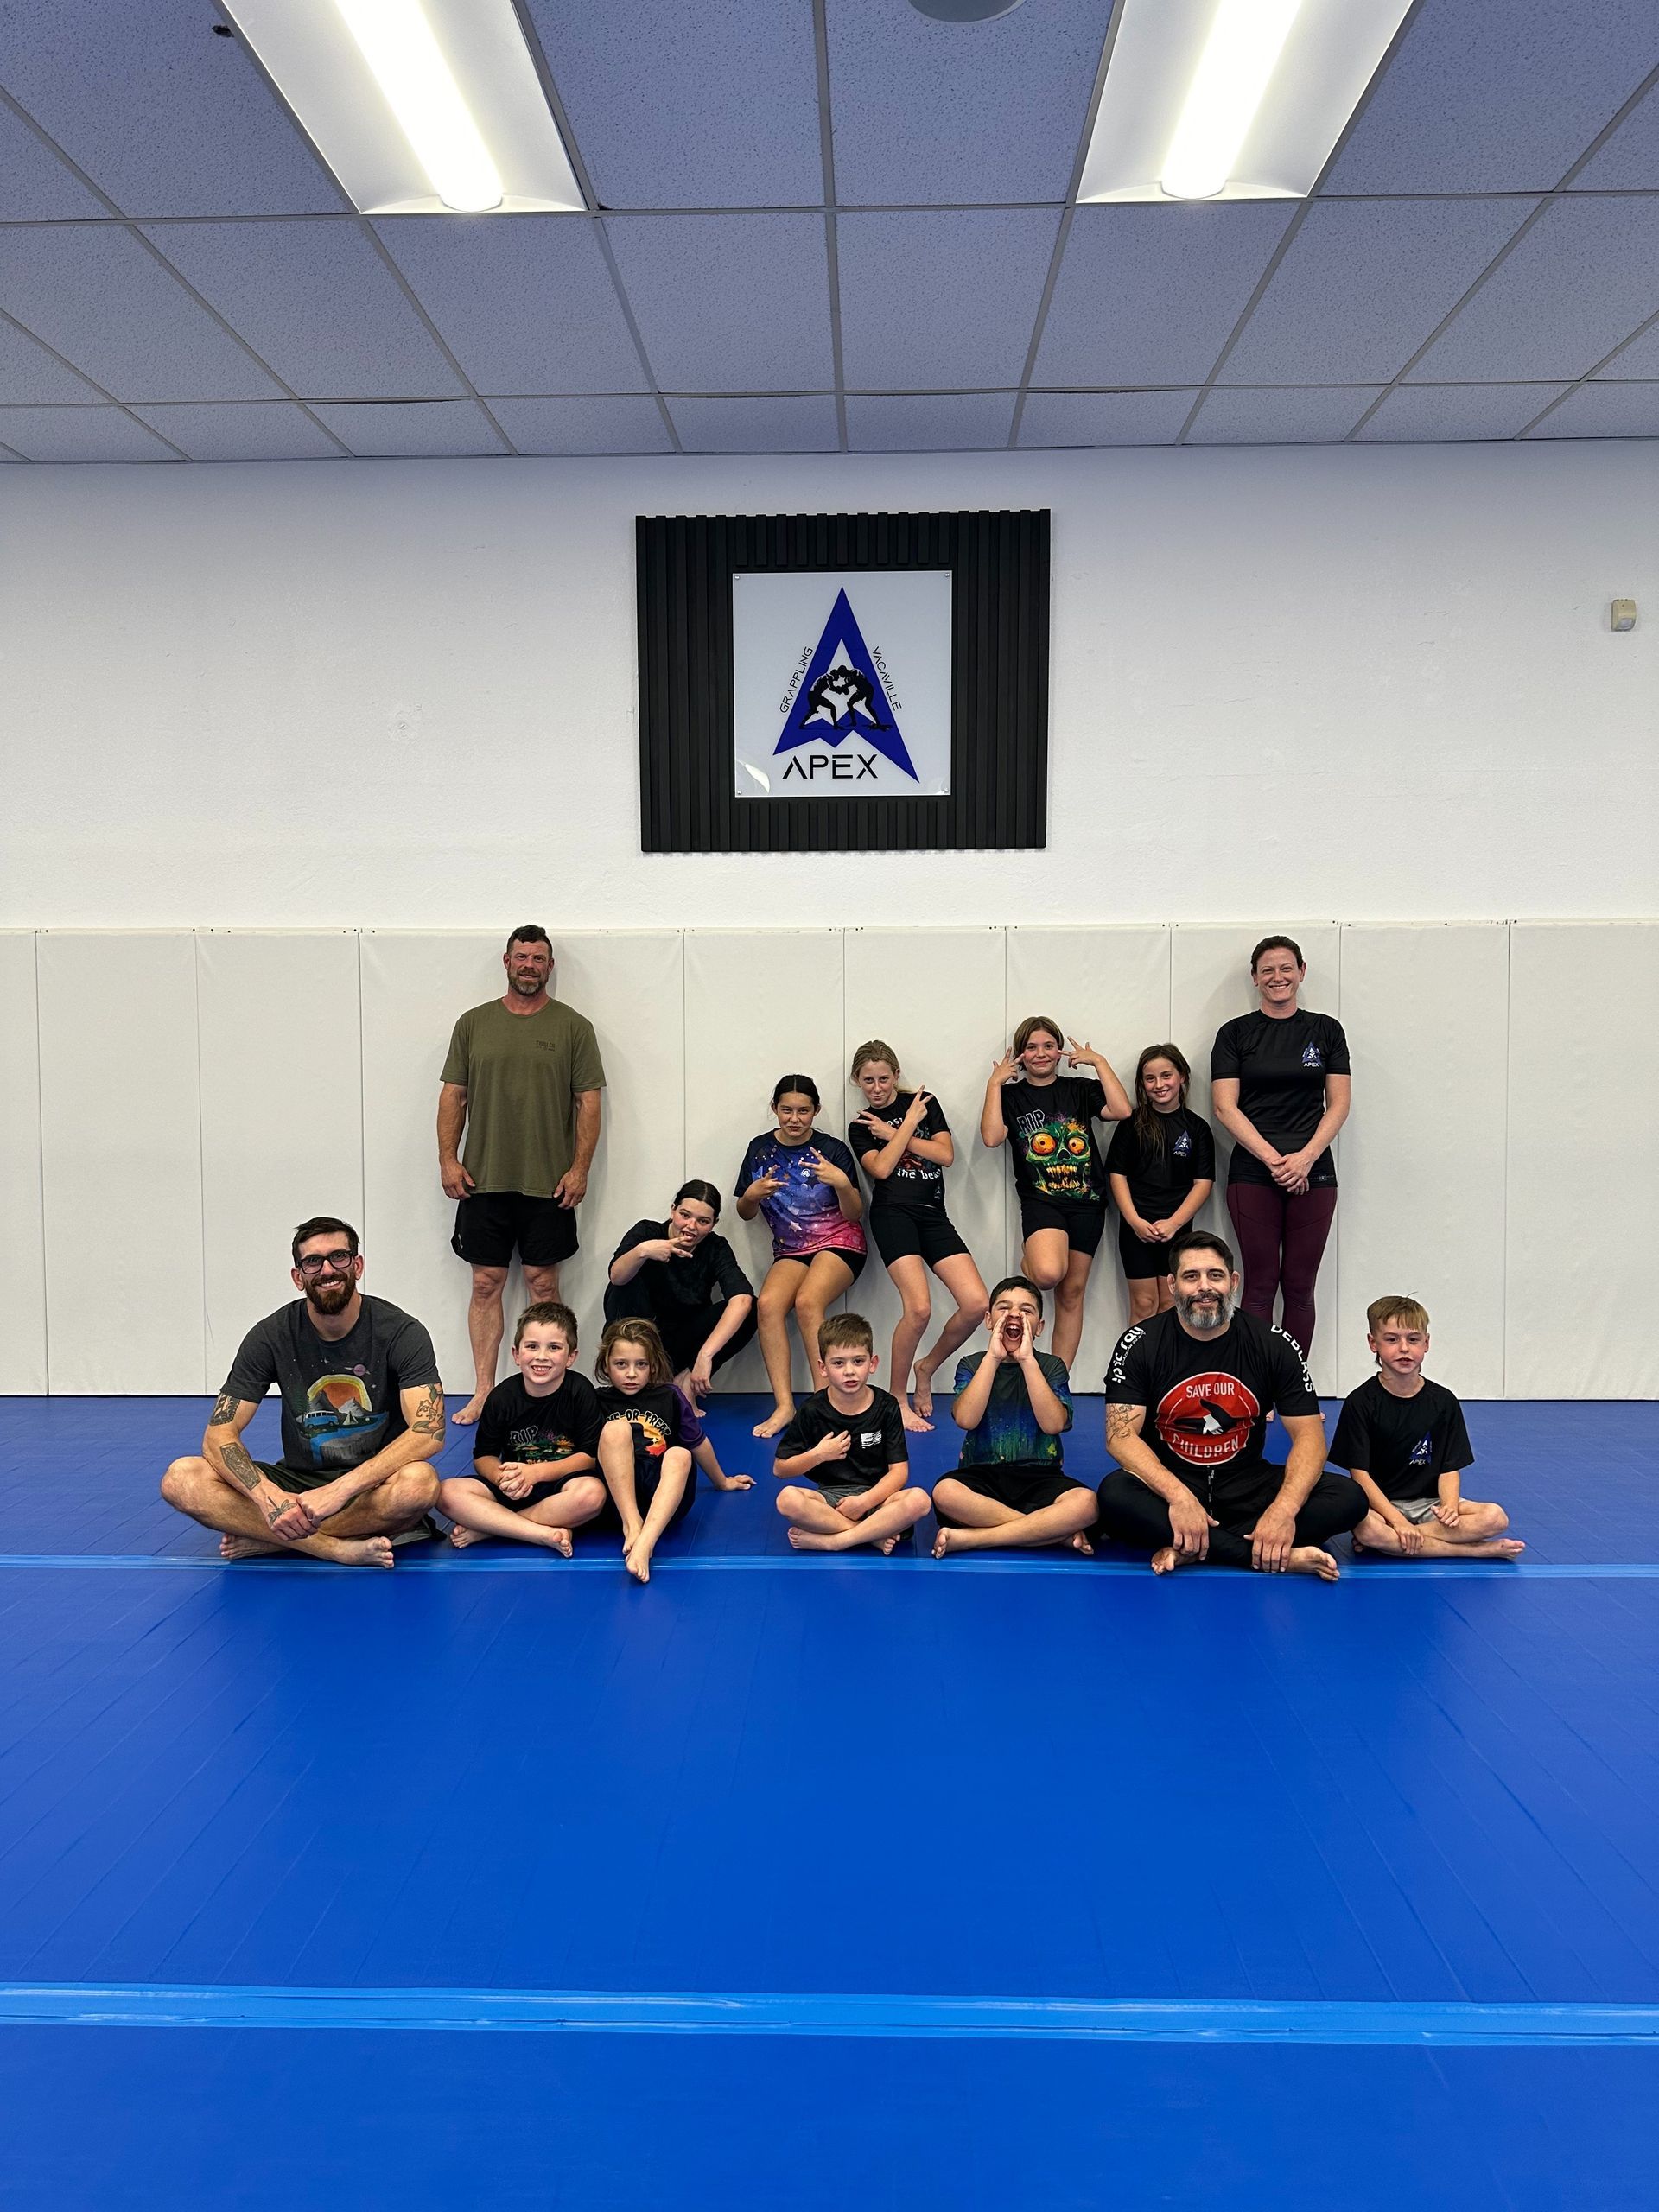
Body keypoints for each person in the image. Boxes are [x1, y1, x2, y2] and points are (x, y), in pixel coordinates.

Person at [160, 1217, 442, 1569]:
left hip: (373, 1482)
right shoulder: (270, 1335)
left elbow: (428, 1432)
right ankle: (330, 1547)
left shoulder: (402, 1332)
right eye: (313, 1262)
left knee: (420, 1485)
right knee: (181, 1478)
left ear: (357, 1265)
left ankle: (273, 1541)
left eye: (339, 1257)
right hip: (297, 1482)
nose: (327, 1270)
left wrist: (339, 1491)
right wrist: (270, 1499)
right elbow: (218, 1436)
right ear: (298, 1277)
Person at [1094, 1230, 1363, 1580]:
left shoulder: (1273, 1343)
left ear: (1233, 1282)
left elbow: (1310, 1436)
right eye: (1191, 1277)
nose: (1204, 1287)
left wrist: (1283, 1510)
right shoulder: (1140, 1343)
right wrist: (1178, 1498)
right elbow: (1120, 1437)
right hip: (1172, 1483)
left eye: (1215, 1275)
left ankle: (1193, 1548)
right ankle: (1260, 1553)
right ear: (1173, 1285)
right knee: (1114, 1495)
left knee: (1349, 1497)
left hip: (1248, 1486)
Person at [438, 924, 606, 1426]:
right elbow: (454, 1096)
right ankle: (486, 1393)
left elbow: (588, 1104)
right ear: (506, 962)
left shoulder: (575, 1027)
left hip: (548, 1183)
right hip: (482, 1180)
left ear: (549, 967)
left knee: (543, 1285)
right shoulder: (473, 1024)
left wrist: (580, 1170)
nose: (529, 965)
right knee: (486, 1284)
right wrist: (448, 1159)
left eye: (538, 958)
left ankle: (546, 1393)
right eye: (521, 957)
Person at [1210, 936, 1351, 1359]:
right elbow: (1224, 1106)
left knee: (1300, 1286)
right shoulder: (1235, 1033)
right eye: (1267, 970)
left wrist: (1305, 1158)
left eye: (1286, 968)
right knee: (1260, 1282)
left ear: (1301, 972)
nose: (1278, 977)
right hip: (1254, 1174)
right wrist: (1275, 1161)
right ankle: (1258, 1385)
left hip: (1315, 1173)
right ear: (1255, 978)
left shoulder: (1326, 1030)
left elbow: (1339, 1104)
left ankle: (1294, 1384)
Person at [846, 1040, 988, 1433]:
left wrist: (893, 1130)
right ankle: (896, 1396)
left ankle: (926, 1368)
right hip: (893, 1215)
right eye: (868, 1080)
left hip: (933, 1214)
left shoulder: (925, 1100)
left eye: (884, 1078)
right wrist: (908, 1125)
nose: (876, 1087)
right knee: (919, 1309)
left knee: (977, 1304)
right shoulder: (859, 1126)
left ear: (896, 1075)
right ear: (857, 1080)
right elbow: (882, 1168)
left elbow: (945, 1155)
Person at [980, 1015, 1131, 1368]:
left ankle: (1056, 1381)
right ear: (1020, 1054)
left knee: (1072, 1294)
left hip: (1087, 1202)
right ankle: (1028, 1258)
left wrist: (1100, 1063)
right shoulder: (1011, 1095)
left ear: (1059, 1050)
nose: (1041, 1054)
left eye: (1048, 1046)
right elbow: (991, 1137)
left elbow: (1122, 1110)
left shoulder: (1079, 1089)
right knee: (1047, 1275)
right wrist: (993, 1084)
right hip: (1041, 1200)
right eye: (1031, 1047)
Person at [1331, 1295, 1523, 1560]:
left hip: (1429, 1505)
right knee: (1369, 1530)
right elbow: (1360, 1476)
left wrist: (1449, 1506)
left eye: (1413, 1339)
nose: (1404, 1349)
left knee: (1495, 1518)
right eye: (1391, 1340)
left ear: (1426, 1343)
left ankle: (1399, 1542)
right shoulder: (1360, 1402)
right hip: (1381, 1507)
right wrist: (1396, 1520)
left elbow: (1449, 1467)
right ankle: (1474, 1550)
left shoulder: (1443, 1401)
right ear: (1373, 1343)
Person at [735, 1075, 866, 1440]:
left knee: (809, 1302)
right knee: (768, 1305)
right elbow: (744, 1213)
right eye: (787, 1110)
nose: (795, 1118)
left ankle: (827, 1403)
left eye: (803, 1111)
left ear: (816, 1111)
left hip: (839, 1240)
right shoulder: (759, 1149)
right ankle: (784, 1406)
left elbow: (854, 1213)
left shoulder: (833, 1148)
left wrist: (841, 1182)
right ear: (775, 1108)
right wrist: (752, 1194)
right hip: (792, 1249)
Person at [931, 1276, 1098, 1559]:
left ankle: (978, 1538)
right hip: (982, 1474)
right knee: (945, 1492)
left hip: (1041, 1475)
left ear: (1040, 1328)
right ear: (988, 1320)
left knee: (1087, 1504)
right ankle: (1047, 1533)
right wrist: (993, 1358)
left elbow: (1054, 1424)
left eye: (1027, 1310)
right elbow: (966, 1420)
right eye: (1004, 1308)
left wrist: (1027, 1360)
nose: (1015, 1315)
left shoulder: (1051, 1366)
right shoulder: (972, 1364)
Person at [438, 1301, 608, 1555]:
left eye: (554, 1347)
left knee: (592, 1495)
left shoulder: (580, 1392)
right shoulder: (501, 1397)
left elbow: (588, 1458)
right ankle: (541, 1533)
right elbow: (484, 1456)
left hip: (561, 1485)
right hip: (515, 1486)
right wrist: (502, 1478)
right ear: (517, 1354)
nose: (541, 1356)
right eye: (532, 1347)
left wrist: (537, 1473)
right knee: (446, 1493)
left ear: (571, 1356)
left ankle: (492, 1527)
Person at [594, 1318, 753, 1583]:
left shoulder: (669, 1396)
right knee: (613, 1430)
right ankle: (632, 1524)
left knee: (680, 1454)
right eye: (621, 1364)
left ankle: (645, 1542)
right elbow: (590, 1454)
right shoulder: (597, 1399)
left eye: (641, 1364)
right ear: (606, 1365)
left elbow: (698, 1442)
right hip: (618, 1499)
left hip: (664, 1498)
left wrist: (722, 1481)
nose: (631, 1374)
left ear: (653, 1365)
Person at [772, 1313, 931, 1554]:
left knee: (920, 1500)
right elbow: (780, 1468)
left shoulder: (886, 1406)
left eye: (858, 1361)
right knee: (787, 1500)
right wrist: (818, 1455)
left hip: (878, 1497)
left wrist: (864, 1502)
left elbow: (899, 1472)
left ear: (873, 1363)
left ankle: (836, 1540)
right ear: (822, 1368)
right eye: (838, 1363)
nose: (849, 1371)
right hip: (830, 1500)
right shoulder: (812, 1410)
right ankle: (870, 1535)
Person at [605, 1180, 757, 1402]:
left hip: (681, 1344)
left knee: (752, 1308)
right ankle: (636, 1379)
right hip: (637, 1340)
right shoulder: (647, 1231)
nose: (691, 1226)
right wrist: (644, 1251)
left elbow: (742, 1299)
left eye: (703, 1221)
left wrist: (705, 1356)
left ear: (713, 1224)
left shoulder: (715, 1247)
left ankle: (683, 1380)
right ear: (673, 1209)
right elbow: (616, 1277)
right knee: (626, 1280)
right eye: (685, 1215)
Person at [1106, 1045, 1216, 1325]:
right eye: (1150, 1078)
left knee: (1170, 1303)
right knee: (1144, 1303)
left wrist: (1174, 1223)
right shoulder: (1131, 1124)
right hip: (1136, 1227)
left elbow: (1203, 1183)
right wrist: (1134, 1221)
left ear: (1182, 1076)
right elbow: (1117, 1176)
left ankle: (1167, 1368)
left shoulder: (1197, 1128)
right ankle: (1134, 1368)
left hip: (1177, 1228)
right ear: (1142, 1083)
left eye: (1166, 1076)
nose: (1159, 1085)